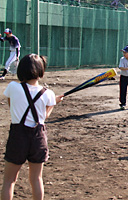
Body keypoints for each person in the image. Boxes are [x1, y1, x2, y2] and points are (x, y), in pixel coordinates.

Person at [1, 54, 64, 200]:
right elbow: (44, 116)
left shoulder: (13, 87)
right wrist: (53, 103)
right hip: (38, 136)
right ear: (41, 71)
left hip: (18, 134)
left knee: (9, 180)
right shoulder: (48, 93)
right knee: (36, 178)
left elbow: (13, 108)